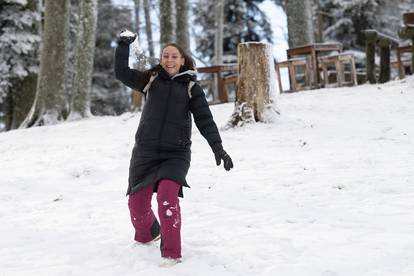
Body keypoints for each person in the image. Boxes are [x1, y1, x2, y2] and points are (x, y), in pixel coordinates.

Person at [114, 32, 233, 265]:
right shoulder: (150, 80)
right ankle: (149, 232)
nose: (169, 60)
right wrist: (122, 45)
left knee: (168, 197)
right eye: (165, 55)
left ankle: (171, 254)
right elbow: (121, 73)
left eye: (174, 56)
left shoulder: (191, 88)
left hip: (175, 154)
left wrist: (218, 148)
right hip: (145, 152)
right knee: (136, 206)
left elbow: (205, 120)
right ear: (161, 59)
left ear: (182, 61)